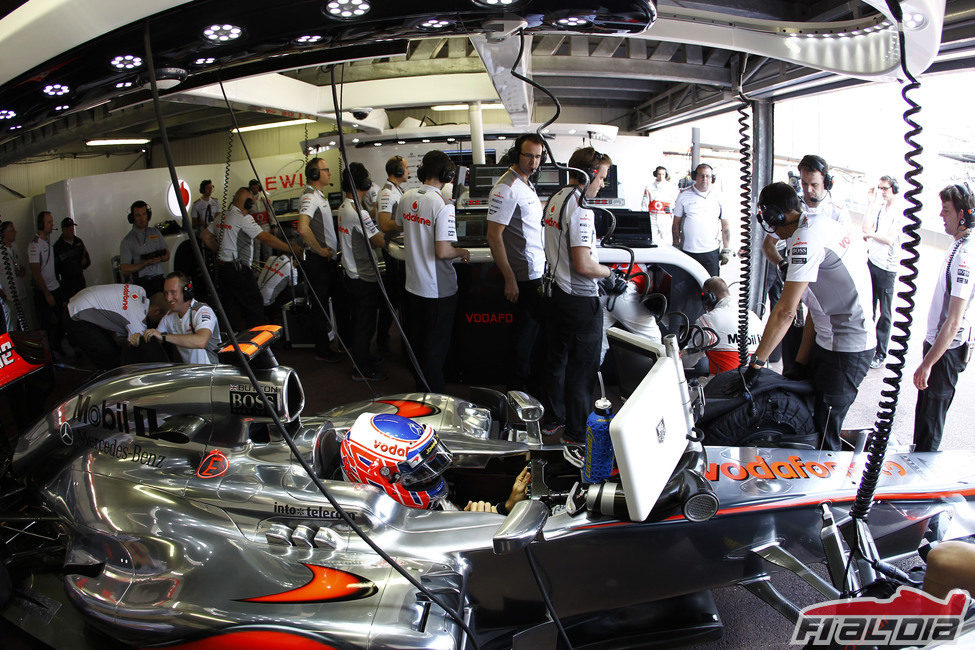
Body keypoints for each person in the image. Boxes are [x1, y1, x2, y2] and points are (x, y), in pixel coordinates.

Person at [744, 182, 875, 451]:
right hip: (830, 340)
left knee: (825, 433)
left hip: (848, 347)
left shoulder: (807, 237)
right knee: (810, 419)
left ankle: (829, 489)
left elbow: (785, 311)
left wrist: (756, 363)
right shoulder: (814, 225)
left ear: (775, 217)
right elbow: (816, 309)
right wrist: (799, 365)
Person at [541, 147, 613, 443]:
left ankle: (554, 419)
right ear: (591, 174)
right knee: (582, 371)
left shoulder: (556, 199)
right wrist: (610, 273)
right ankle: (576, 434)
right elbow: (584, 265)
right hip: (580, 300)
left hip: (555, 294)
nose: (603, 184)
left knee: (556, 361)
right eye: (603, 177)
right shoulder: (582, 210)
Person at [761, 155, 850, 372]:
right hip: (799, 301)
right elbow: (769, 244)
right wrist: (783, 265)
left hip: (826, 309)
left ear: (826, 182)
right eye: (804, 183)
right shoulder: (791, 210)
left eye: (814, 184)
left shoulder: (837, 213)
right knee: (792, 367)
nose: (809, 190)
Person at [339, 412, 530, 513]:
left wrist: (505, 508)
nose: (432, 477)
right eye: (418, 475)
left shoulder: (422, 505)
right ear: (380, 477)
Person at [396, 150, 470, 393]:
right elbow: (443, 251)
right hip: (438, 291)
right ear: (447, 175)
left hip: (413, 286)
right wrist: (462, 251)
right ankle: (435, 400)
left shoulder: (406, 196)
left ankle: (421, 392)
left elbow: (400, 226)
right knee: (436, 351)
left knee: (420, 345)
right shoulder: (443, 205)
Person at [912, 184, 975, 452]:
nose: (941, 215)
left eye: (946, 211)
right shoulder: (958, 244)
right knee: (924, 417)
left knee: (930, 423)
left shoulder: (965, 255)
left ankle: (919, 485)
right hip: (941, 347)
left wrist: (928, 363)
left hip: (946, 350)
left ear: (963, 215)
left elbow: (954, 320)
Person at [486, 133, 547, 394]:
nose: (534, 162)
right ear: (516, 155)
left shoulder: (526, 183)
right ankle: (517, 391)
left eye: (538, 156)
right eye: (528, 156)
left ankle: (525, 385)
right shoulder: (506, 187)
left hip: (537, 268)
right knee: (524, 336)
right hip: (524, 274)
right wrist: (509, 278)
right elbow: (493, 235)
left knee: (532, 334)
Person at [201, 187, 298, 332]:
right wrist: (290, 248)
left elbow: (205, 236)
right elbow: (265, 237)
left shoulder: (221, 217)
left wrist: (220, 250)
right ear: (247, 203)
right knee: (255, 306)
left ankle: (234, 344)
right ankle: (256, 345)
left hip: (223, 269)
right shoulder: (243, 218)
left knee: (231, 308)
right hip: (238, 270)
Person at [337, 162, 388, 382]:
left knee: (360, 321)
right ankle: (362, 369)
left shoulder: (344, 206)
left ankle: (363, 357)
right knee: (364, 324)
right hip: (363, 277)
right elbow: (378, 241)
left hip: (352, 274)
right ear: (363, 183)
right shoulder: (358, 212)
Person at [296, 157, 342, 362]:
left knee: (327, 302)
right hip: (318, 261)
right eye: (325, 170)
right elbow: (302, 228)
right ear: (315, 174)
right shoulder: (309, 197)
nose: (329, 173)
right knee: (320, 306)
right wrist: (320, 251)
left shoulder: (318, 195)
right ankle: (322, 349)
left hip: (326, 261)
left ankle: (330, 343)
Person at [67, 283, 168, 369]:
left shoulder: (139, 290)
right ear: (156, 311)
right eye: (162, 319)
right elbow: (134, 349)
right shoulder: (137, 318)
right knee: (110, 359)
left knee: (113, 349)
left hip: (78, 299)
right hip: (76, 315)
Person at [863, 175, 904, 369]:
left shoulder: (899, 212)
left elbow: (888, 239)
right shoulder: (880, 209)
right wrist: (870, 204)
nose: (882, 192)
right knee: (868, 307)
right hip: (873, 261)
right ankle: (869, 346)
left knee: (884, 312)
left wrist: (871, 235)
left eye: (886, 188)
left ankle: (881, 352)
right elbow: (865, 227)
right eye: (880, 188)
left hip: (887, 267)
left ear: (894, 189)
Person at [689, 276, 763, 374]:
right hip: (757, 383)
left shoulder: (707, 321)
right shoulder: (754, 317)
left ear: (709, 298)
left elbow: (688, 361)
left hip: (724, 384)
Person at [144, 272, 221, 364]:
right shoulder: (169, 316)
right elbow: (156, 339)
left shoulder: (202, 311)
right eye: (166, 293)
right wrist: (140, 338)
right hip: (189, 373)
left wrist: (164, 337)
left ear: (186, 292)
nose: (168, 298)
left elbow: (201, 341)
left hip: (210, 372)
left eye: (173, 292)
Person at [375, 155, 409, 356]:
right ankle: (381, 340)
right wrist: (408, 222)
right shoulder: (387, 193)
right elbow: (384, 224)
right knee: (393, 298)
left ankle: (384, 338)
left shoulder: (396, 190)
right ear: (397, 171)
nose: (408, 171)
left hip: (400, 250)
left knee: (397, 297)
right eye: (405, 168)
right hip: (393, 252)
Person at [672, 164, 731, 277]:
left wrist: (726, 249)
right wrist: (676, 244)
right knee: (688, 287)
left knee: (712, 288)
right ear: (695, 177)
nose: (705, 179)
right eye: (701, 176)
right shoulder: (684, 195)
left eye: (708, 176)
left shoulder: (719, 196)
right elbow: (676, 223)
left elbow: (726, 225)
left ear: (712, 178)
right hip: (688, 251)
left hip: (711, 252)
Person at [599, 263, 662, 363]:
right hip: (625, 290)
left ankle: (589, 376)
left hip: (604, 287)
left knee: (599, 344)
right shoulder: (652, 262)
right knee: (654, 340)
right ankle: (661, 375)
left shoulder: (624, 253)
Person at [28, 211, 65, 353]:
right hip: (45, 291)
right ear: (41, 224)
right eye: (49, 222)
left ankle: (58, 346)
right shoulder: (34, 245)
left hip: (55, 287)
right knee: (47, 324)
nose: (52, 225)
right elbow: (36, 272)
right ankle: (50, 353)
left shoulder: (47, 243)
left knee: (61, 321)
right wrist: (46, 293)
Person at [119, 200, 169, 296]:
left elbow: (167, 255)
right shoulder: (127, 241)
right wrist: (145, 263)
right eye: (138, 215)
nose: (142, 218)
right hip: (142, 283)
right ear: (132, 218)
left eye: (144, 214)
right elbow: (125, 269)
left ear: (148, 215)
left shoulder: (155, 232)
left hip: (160, 280)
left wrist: (160, 258)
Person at [0, 220, 29, 331]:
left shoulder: (15, 247)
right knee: (11, 326)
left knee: (26, 324)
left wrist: (22, 270)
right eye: (12, 230)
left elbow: (21, 264)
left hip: (21, 293)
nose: (15, 232)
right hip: (9, 296)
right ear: (4, 233)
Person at [53, 217, 90, 301]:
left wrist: (84, 263)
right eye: (69, 228)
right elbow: (55, 268)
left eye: (72, 228)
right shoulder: (58, 246)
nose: (71, 230)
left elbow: (87, 260)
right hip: (67, 283)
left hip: (80, 280)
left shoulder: (78, 242)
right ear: (63, 230)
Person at [641, 165, 677, 246]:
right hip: (653, 215)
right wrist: (644, 216)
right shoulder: (649, 187)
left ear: (666, 175)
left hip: (665, 216)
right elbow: (645, 202)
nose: (661, 176)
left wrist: (671, 210)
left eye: (663, 174)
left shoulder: (671, 187)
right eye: (659, 174)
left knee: (666, 238)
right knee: (652, 238)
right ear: (656, 174)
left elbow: (675, 201)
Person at [248, 179, 272, 262]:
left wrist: (273, 224)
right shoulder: (248, 199)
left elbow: (270, 211)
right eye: (253, 188)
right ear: (250, 188)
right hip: (254, 226)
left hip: (265, 225)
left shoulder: (264, 197)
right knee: (255, 250)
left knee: (268, 249)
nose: (255, 189)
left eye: (256, 187)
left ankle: (269, 267)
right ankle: (256, 271)